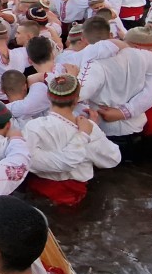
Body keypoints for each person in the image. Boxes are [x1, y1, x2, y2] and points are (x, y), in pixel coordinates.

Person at [22, 73, 121, 206]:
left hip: (36, 192)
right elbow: (113, 158)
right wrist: (93, 131)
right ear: (76, 100)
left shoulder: (33, 127)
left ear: (48, 97)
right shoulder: (89, 129)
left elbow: (27, 161)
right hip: (71, 197)